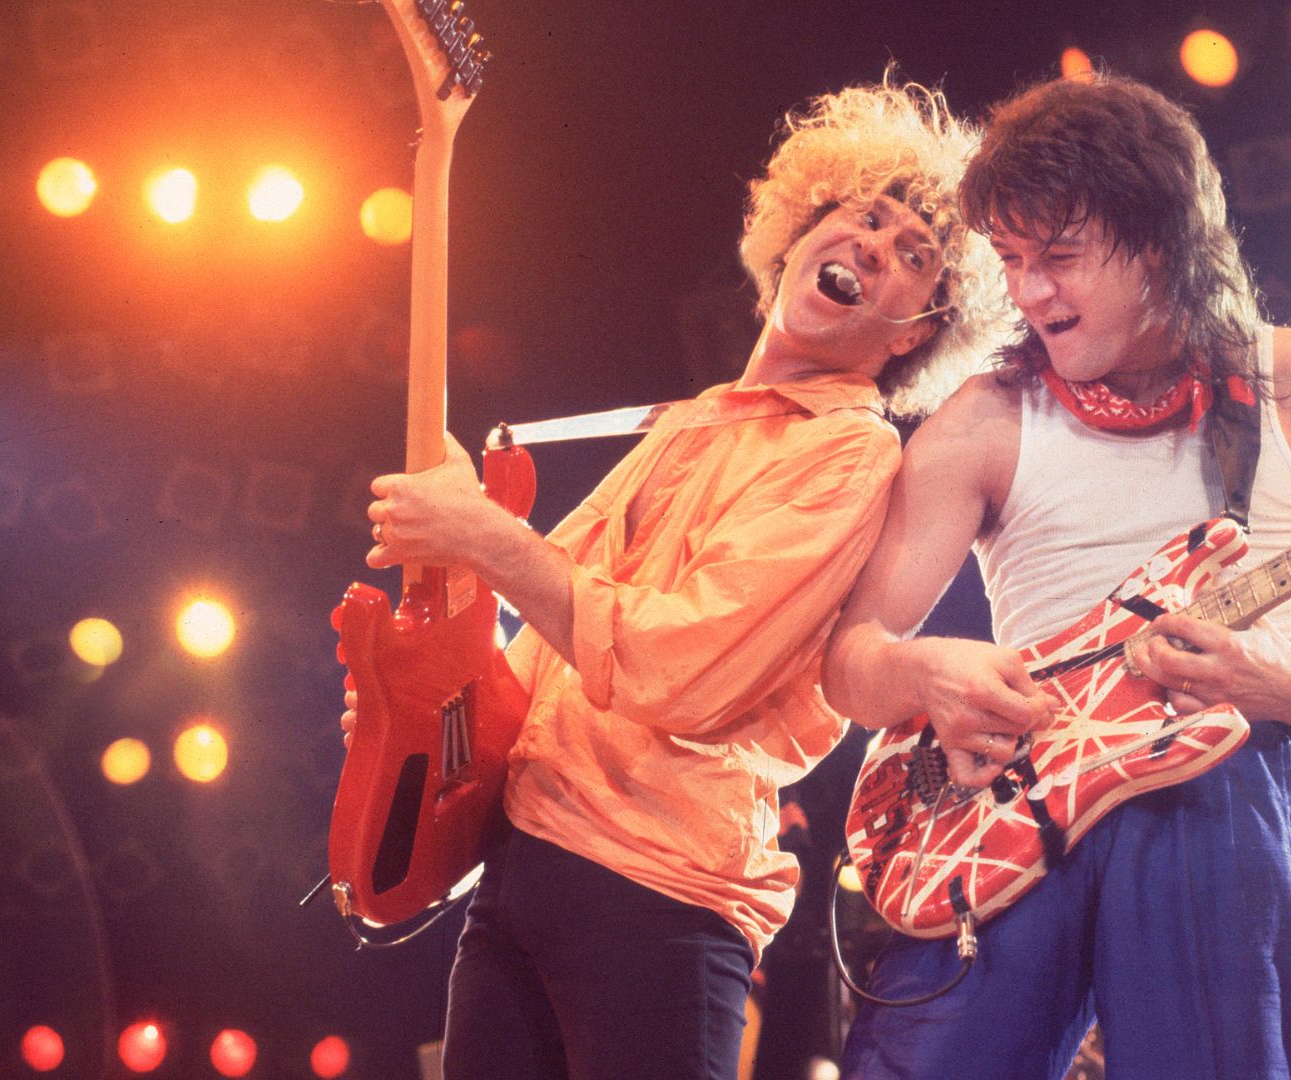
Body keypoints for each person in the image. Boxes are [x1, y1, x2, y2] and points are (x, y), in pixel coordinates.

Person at [344, 78, 1008, 1080]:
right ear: (802, 234)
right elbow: (543, 656)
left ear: (916, 331)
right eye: (866, 217)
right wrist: (424, 720)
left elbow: (683, 670)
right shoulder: (699, 418)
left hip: (658, 893)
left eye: (916, 255)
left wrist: (483, 536)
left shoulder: (852, 452)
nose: (878, 245)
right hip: (521, 860)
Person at [824, 72, 1291, 1080]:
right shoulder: (982, 418)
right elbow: (851, 660)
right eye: (1011, 260)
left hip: (1209, 787)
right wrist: (929, 675)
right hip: (1012, 802)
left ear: (1162, 238)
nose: (1029, 292)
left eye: (1059, 257)